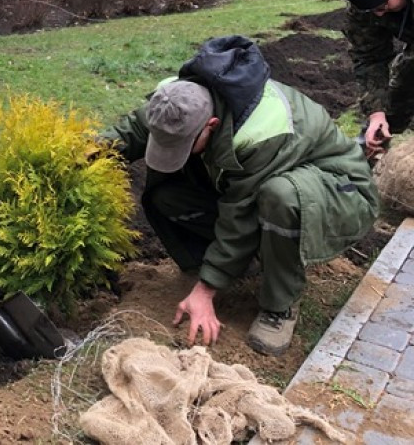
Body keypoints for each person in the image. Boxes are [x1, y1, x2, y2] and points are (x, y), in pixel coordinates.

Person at [99, 35, 378, 356]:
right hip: (273, 186)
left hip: (340, 190)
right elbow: (138, 126)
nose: (178, 152)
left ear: (212, 125)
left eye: (186, 145)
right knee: (167, 195)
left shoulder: (264, 131)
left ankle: (280, 307)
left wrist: (205, 291)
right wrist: (91, 149)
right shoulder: (179, 98)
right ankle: (236, 265)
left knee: (280, 196)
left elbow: (240, 216)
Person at [337, 0, 414, 159]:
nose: (379, 13)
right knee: (397, 90)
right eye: (372, 9)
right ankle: (367, 160)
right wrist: (377, 114)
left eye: (382, 5)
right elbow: (369, 56)